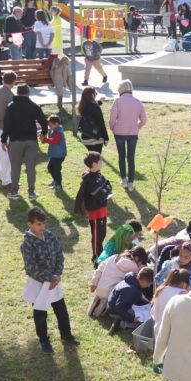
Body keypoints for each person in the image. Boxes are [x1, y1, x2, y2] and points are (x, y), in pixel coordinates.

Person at [21, 207, 79, 354]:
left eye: (43, 224)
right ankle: (44, 341)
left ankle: (66, 335)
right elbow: (31, 267)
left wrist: (57, 274)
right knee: (40, 314)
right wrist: (49, 277)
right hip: (39, 284)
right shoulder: (27, 244)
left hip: (55, 281)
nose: (42, 227)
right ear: (30, 224)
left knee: (61, 311)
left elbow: (59, 255)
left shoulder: (49, 235)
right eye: (38, 225)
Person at [1, 84, 46, 201]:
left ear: (17, 93)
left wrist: (3, 139)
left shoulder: (11, 107)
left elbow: (6, 125)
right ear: (28, 93)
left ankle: (13, 192)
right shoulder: (34, 106)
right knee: (31, 168)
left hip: (15, 141)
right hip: (31, 141)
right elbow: (43, 121)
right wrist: (44, 133)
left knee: (15, 168)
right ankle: (31, 193)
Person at [74, 151, 114, 265]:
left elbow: (108, 186)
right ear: (94, 164)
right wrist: (106, 191)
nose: (102, 162)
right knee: (97, 235)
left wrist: (105, 190)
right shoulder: (90, 179)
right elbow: (101, 194)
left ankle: (100, 254)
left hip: (102, 209)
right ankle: (96, 257)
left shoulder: (99, 174)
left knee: (102, 233)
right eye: (100, 161)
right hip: (95, 211)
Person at [108, 79, 147, 191]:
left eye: (119, 88)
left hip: (119, 133)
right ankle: (131, 183)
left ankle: (124, 180)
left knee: (121, 156)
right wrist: (137, 126)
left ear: (122, 89)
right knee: (131, 157)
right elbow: (144, 120)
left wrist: (112, 128)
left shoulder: (118, 101)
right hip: (133, 133)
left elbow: (112, 119)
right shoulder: (137, 102)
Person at [89, 245, 147, 317]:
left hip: (99, 287)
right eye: (141, 262)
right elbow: (139, 280)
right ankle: (104, 307)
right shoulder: (134, 268)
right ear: (137, 258)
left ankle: (98, 301)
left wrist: (93, 283)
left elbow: (100, 268)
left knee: (103, 292)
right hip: (110, 293)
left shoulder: (115, 257)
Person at [106, 266, 155, 331]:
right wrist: (131, 318)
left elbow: (137, 298)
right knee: (143, 321)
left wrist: (147, 304)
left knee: (144, 314)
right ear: (143, 281)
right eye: (148, 284)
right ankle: (120, 324)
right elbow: (119, 307)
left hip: (115, 306)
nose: (148, 286)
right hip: (114, 311)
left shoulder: (134, 280)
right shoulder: (131, 289)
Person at [77, 86, 109, 155]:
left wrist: (99, 102)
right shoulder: (95, 107)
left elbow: (91, 109)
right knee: (96, 161)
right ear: (92, 95)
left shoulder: (82, 106)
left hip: (85, 137)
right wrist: (106, 138)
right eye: (95, 93)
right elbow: (101, 123)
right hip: (95, 138)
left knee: (91, 160)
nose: (96, 95)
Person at [40, 114, 67, 190]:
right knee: (50, 168)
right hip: (55, 155)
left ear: (56, 124)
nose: (49, 126)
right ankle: (55, 180)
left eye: (50, 125)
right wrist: (44, 140)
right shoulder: (54, 131)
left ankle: (58, 184)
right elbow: (51, 140)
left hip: (59, 155)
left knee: (56, 170)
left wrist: (45, 140)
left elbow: (54, 141)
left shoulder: (59, 132)